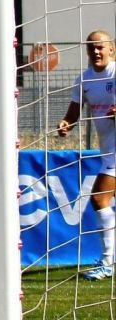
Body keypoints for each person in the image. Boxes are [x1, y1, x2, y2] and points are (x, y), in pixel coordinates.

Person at [57, 30, 116, 281]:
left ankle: (107, 263)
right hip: (108, 150)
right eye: (91, 47)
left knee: (100, 199)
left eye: (100, 46)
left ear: (111, 49)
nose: (96, 51)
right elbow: (74, 112)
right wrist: (66, 124)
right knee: (103, 201)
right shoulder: (84, 79)